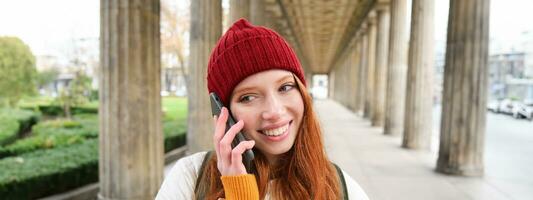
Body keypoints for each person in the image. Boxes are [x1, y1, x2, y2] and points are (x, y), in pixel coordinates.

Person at [156, 18, 368, 200]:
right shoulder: (189, 179)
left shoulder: (342, 188)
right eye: (248, 97)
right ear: (223, 112)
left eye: (285, 87)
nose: (274, 111)